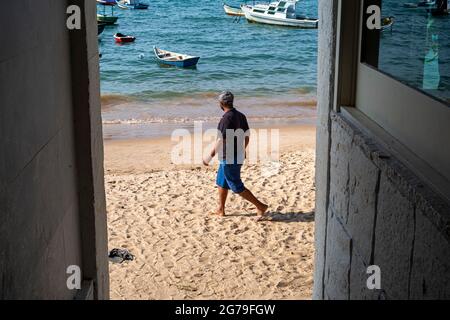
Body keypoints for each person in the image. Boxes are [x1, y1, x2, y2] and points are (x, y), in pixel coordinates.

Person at [203, 91, 268, 219]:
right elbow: (247, 136)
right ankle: (221, 209)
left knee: (236, 186)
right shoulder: (241, 116)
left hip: (229, 157)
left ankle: (260, 206)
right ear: (231, 102)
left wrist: (209, 156)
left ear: (221, 104)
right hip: (236, 155)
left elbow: (221, 140)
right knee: (221, 182)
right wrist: (242, 150)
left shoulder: (225, 119)